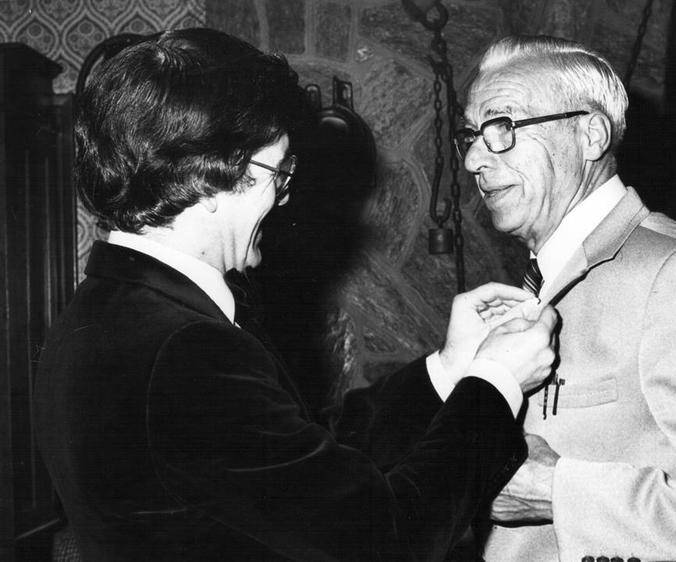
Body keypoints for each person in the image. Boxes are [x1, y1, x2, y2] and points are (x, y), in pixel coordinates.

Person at [33, 28, 560, 562]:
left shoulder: (107, 311)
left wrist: (447, 369)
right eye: (278, 171)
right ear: (212, 175)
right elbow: (388, 539)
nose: (284, 199)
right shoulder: (186, 351)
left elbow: (308, 466)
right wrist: (495, 382)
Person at [454, 34, 676, 561]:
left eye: (503, 127)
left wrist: (557, 490)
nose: (474, 159)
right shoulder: (542, 280)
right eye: (471, 135)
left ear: (590, 135)